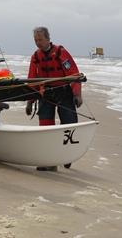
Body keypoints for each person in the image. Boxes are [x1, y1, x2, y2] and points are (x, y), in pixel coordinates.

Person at [27, 26, 83, 171]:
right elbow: (32, 79)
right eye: (35, 40)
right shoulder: (36, 57)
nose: (38, 43)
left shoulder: (60, 53)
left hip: (63, 93)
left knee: (68, 125)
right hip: (46, 94)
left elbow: (73, 73)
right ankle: (48, 161)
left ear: (48, 38)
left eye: (40, 39)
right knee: (45, 128)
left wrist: (77, 94)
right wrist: (30, 101)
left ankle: (67, 156)